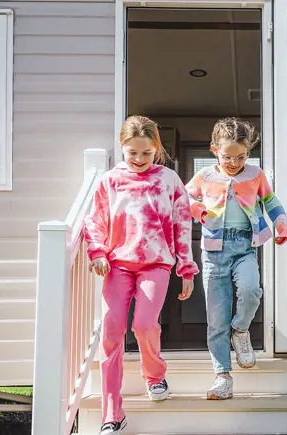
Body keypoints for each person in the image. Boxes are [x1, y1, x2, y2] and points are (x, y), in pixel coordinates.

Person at [85, 115, 198, 435]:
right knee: (111, 331)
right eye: (132, 152)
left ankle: (154, 375)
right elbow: (95, 222)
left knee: (144, 324)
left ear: (156, 149)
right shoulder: (109, 181)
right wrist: (98, 253)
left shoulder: (168, 180)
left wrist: (186, 268)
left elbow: (182, 224)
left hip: (156, 264)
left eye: (146, 153)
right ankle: (112, 413)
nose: (138, 158)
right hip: (118, 264)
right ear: (122, 147)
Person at [185, 117, 287, 400]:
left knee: (251, 290)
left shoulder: (255, 175)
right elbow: (183, 197)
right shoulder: (205, 176)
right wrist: (199, 210)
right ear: (214, 150)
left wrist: (281, 225)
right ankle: (222, 376)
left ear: (248, 152)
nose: (234, 162)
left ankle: (240, 329)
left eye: (241, 156)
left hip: (244, 246)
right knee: (216, 317)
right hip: (214, 252)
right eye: (227, 156)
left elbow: (271, 201)